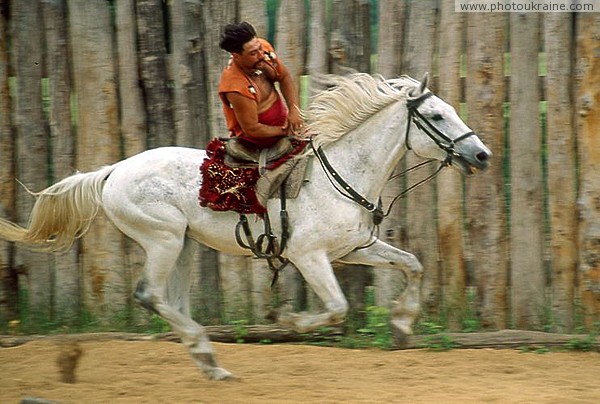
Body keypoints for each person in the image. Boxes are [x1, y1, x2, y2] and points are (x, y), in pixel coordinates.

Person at [218, 21, 303, 149]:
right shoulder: (235, 86)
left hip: (285, 125)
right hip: (258, 142)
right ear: (236, 56)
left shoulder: (263, 50)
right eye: (253, 53)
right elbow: (252, 129)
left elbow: (284, 77)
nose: (261, 55)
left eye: (259, 48)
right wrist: (285, 131)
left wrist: (294, 110)